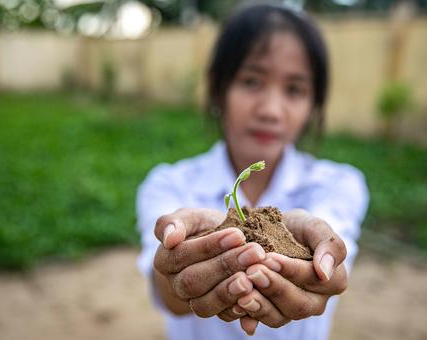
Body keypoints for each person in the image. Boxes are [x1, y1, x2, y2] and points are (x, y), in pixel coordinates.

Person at [136, 3, 369, 340]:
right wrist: (177, 269)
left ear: (313, 103)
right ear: (218, 88)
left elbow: (331, 247)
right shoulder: (169, 184)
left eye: (294, 89)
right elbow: (166, 286)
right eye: (251, 81)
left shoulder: (338, 184)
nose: (271, 110)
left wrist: (322, 260)